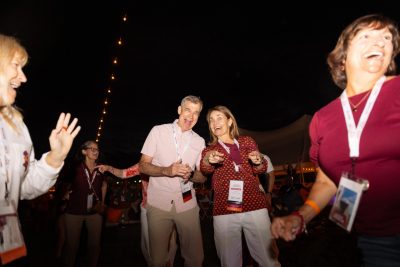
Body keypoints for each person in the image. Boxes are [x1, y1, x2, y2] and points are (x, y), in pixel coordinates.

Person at [271, 14, 400, 266]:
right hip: (369, 240)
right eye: (366, 36)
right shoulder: (323, 119)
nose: (380, 42)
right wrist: (300, 216)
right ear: (342, 57)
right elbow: (328, 179)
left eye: (387, 38)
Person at [0, 34, 80, 264]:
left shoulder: (16, 127)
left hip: (9, 249)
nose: (23, 78)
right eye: (16, 65)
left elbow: (23, 186)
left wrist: (57, 156)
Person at [200, 105, 280, 267]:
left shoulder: (246, 141)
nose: (214, 122)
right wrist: (209, 159)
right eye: (211, 120)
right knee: (229, 262)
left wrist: (258, 161)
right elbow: (205, 168)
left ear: (229, 121)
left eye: (219, 118)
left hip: (255, 206)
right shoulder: (209, 149)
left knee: (268, 259)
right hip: (225, 210)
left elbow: (261, 168)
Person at [139, 95, 207, 267]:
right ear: (179, 110)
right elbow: (143, 166)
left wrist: (191, 175)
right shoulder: (158, 131)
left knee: (195, 258)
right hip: (159, 203)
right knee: (158, 259)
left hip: (187, 204)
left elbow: (203, 176)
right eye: (188, 110)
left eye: (196, 113)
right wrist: (166, 170)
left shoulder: (199, 141)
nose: (191, 116)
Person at [97, 163, 178, 267]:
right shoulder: (143, 165)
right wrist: (108, 168)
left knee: (171, 243)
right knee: (149, 246)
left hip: (169, 207)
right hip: (148, 208)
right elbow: (124, 173)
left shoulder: (170, 160)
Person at [62, 140, 107, 267]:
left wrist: (102, 203)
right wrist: (65, 193)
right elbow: (65, 183)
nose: (95, 151)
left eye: (97, 149)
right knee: (72, 246)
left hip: (94, 212)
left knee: (94, 245)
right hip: (73, 212)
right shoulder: (75, 167)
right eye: (91, 148)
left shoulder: (101, 168)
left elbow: (104, 185)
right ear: (84, 151)